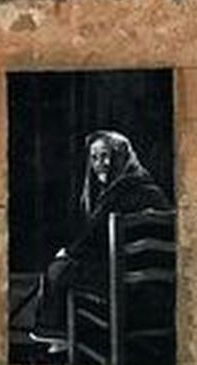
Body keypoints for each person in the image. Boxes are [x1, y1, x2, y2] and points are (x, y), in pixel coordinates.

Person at [36, 130, 169, 339]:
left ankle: (60, 336)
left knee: (58, 269)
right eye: (94, 158)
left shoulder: (120, 190)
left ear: (122, 156)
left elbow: (93, 238)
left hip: (129, 284)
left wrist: (68, 253)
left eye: (106, 156)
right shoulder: (151, 187)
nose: (100, 164)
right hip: (159, 286)